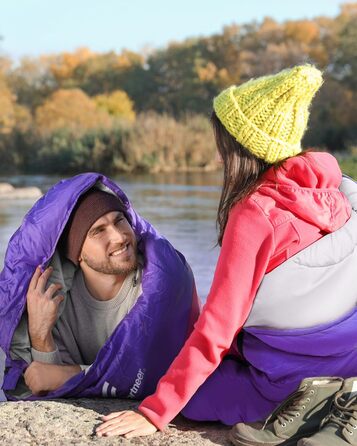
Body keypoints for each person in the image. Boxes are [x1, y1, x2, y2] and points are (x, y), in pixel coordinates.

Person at [95, 64, 357, 440]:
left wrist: (155, 412)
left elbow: (217, 327)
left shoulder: (255, 213)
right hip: (348, 354)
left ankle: (313, 403)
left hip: (289, 376)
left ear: (246, 149)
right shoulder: (334, 192)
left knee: (189, 396)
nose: (219, 159)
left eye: (225, 146)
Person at [0, 174, 199, 402]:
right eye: (98, 231)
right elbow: (46, 386)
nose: (118, 236)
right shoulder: (56, 302)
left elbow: (156, 372)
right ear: (78, 254)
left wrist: (71, 374)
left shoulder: (161, 285)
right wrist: (39, 334)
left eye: (119, 220)